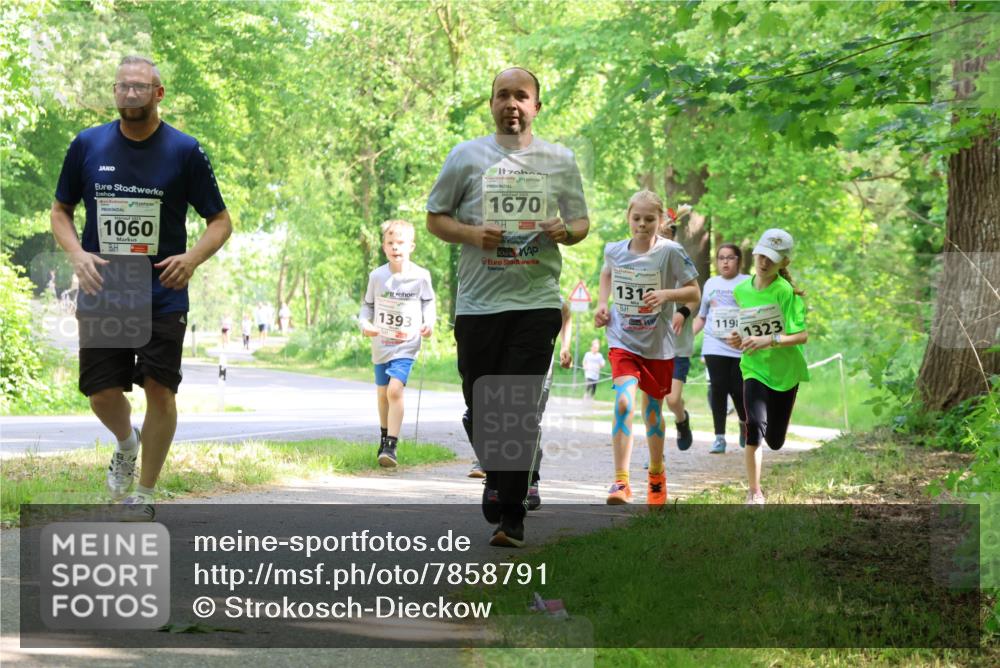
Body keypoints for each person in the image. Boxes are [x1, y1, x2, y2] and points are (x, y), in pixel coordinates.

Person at [50, 55, 231, 519]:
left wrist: (191, 259)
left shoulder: (184, 151)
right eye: (123, 87)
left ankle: (145, 494)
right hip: (106, 288)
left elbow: (220, 222)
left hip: (162, 291)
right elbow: (60, 211)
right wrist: (76, 253)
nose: (130, 94)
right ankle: (127, 443)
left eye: (140, 87)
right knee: (101, 392)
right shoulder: (87, 145)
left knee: (160, 389)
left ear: (158, 92)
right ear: (115, 92)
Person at [427, 66, 589, 547]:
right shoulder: (466, 157)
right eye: (503, 96)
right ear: (492, 104)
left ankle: (511, 515)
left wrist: (566, 231)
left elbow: (580, 222)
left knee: (515, 407)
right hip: (478, 303)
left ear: (537, 106)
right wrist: (472, 234)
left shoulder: (558, 160)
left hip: (536, 299)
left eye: (522, 96)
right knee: (481, 405)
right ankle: (497, 477)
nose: (511, 104)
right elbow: (436, 218)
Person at [594, 190, 699, 506]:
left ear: (661, 221)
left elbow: (694, 292)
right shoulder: (614, 250)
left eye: (649, 219)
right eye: (636, 218)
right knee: (624, 403)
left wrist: (666, 295)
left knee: (652, 412)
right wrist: (602, 304)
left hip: (657, 346)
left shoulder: (671, 252)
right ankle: (621, 482)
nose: (641, 224)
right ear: (628, 217)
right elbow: (606, 273)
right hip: (622, 340)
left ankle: (656, 474)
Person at [725, 229, 809, 505]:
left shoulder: (786, 293)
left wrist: (768, 339)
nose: (763, 263)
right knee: (755, 426)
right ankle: (755, 492)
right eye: (761, 256)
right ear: (755, 253)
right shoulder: (741, 290)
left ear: (783, 263)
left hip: (784, 374)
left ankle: (778, 424)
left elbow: (801, 336)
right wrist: (738, 338)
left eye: (771, 260)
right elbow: (744, 328)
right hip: (754, 368)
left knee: (775, 440)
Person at [358, 220, 435, 467]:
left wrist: (429, 322)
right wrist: (364, 324)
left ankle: (391, 445)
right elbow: (366, 306)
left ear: (411, 246)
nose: (395, 247)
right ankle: (383, 438)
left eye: (400, 243)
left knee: (394, 390)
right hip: (381, 343)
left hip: (407, 343)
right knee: (382, 394)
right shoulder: (377, 276)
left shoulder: (421, 276)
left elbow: (428, 302)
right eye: (390, 243)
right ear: (384, 247)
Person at [693, 244, 750, 453]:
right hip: (714, 343)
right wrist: (688, 336)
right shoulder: (710, 284)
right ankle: (719, 437)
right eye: (721, 258)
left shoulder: (747, 283)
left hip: (739, 345)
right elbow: (701, 316)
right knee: (718, 388)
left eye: (730, 258)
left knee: (738, 389)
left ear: (739, 261)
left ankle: (745, 425)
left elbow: (754, 313)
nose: (725, 262)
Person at [657, 208, 700, 452]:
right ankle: (656, 453)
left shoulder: (680, 258)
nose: (665, 235)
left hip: (678, 345)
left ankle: (682, 420)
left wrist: (682, 313)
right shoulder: (642, 258)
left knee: (672, 399)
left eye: (669, 232)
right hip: (650, 343)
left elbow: (695, 296)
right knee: (653, 403)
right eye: (662, 231)